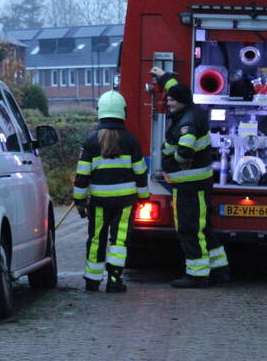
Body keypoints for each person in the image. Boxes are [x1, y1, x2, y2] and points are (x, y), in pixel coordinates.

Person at [151, 67, 231, 288]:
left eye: (172, 101)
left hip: (190, 186)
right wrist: (163, 76)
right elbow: (177, 91)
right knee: (203, 228)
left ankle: (196, 275)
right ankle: (219, 269)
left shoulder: (187, 121)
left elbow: (185, 150)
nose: (168, 103)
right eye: (168, 99)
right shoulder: (189, 110)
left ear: (183, 102)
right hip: (193, 185)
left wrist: (174, 157)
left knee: (190, 229)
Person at [72, 90, 149, 293]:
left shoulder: (90, 140)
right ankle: (114, 281)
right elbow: (140, 172)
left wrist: (79, 200)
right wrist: (144, 196)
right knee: (119, 240)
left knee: (96, 238)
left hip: (98, 202)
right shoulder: (131, 140)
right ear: (123, 112)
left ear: (100, 112)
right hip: (125, 202)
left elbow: (82, 175)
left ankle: (92, 280)